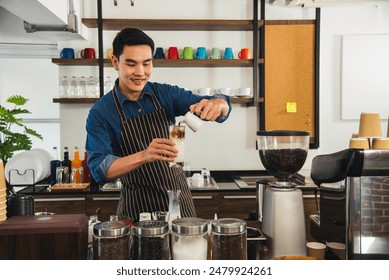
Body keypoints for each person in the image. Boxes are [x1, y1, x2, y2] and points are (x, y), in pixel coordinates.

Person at [86, 28, 231, 221]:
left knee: (186, 251)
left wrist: (219, 104)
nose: (140, 72)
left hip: (178, 203)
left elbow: (218, 104)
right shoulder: (101, 112)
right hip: (137, 209)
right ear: (115, 62)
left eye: (146, 64)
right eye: (131, 64)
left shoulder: (165, 94)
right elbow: (100, 170)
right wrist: (144, 155)